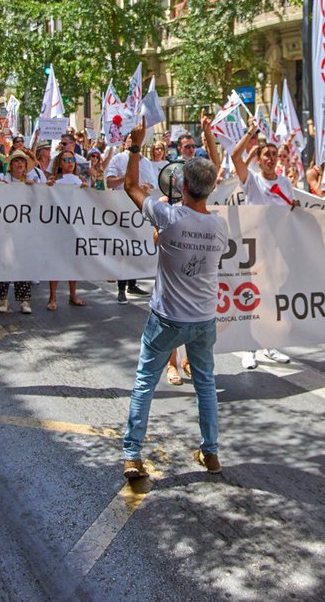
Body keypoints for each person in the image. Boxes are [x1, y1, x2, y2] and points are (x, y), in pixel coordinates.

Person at [120, 119, 229, 480]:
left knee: (144, 381)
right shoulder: (219, 226)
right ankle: (210, 452)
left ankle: (133, 455)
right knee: (205, 385)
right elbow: (213, 177)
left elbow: (131, 186)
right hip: (203, 320)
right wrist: (210, 138)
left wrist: (136, 147)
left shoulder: (168, 217)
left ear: (181, 184)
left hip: (167, 318)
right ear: (210, 189)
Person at [221, 117, 296, 368]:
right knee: (250, 297)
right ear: (259, 158)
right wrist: (251, 132)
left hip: (278, 249)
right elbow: (233, 156)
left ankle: (270, 345)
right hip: (252, 248)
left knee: (273, 297)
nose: (271, 158)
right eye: (267, 154)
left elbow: (289, 212)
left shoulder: (285, 183)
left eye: (275, 154)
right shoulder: (252, 180)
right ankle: (248, 348)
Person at [105, 135, 155, 304]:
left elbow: (153, 185)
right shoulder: (118, 159)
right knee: (123, 248)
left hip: (140, 209)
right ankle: (121, 289)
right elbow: (109, 182)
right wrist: (126, 179)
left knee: (136, 246)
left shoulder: (147, 163)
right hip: (122, 208)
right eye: (131, 139)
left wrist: (147, 188)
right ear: (126, 143)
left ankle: (132, 283)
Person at [46, 151, 89, 310]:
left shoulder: (80, 180)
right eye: (66, 160)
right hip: (58, 227)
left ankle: (73, 295)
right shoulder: (54, 182)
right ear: (59, 164)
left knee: (74, 261)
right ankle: (53, 297)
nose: (70, 162)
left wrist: (86, 189)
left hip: (76, 227)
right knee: (56, 260)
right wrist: (48, 188)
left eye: (72, 159)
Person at [0, 153, 36, 314]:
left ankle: (24, 300)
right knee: (5, 262)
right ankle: (3, 299)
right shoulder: (1, 178)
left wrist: (34, 189)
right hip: (5, 228)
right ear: (10, 165)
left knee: (23, 263)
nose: (19, 164)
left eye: (22, 161)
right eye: (16, 161)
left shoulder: (29, 183)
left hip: (23, 229)